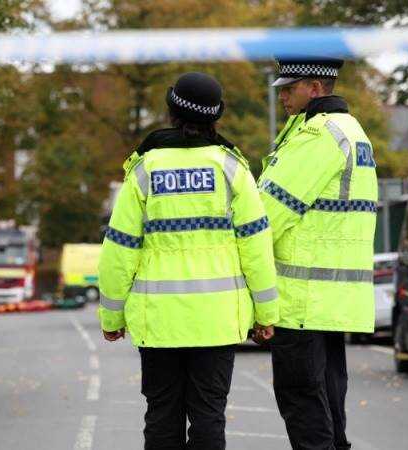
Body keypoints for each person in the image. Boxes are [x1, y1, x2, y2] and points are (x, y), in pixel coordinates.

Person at [97, 72, 279, 450]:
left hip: (159, 322)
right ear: (216, 117)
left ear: (172, 112)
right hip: (217, 321)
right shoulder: (232, 169)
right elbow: (256, 246)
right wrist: (266, 315)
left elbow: (119, 249)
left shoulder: (145, 170)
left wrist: (112, 317)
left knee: (162, 415)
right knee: (209, 415)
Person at [256, 57, 378, 450]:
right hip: (332, 301)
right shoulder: (352, 131)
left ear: (315, 88)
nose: (283, 96)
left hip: (302, 301)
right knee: (328, 404)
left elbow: (265, 216)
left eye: (289, 88)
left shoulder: (317, 136)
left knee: (303, 402)